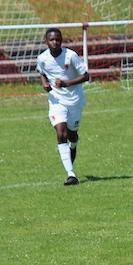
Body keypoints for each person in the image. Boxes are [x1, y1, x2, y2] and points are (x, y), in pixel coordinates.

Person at [37, 28, 89, 186]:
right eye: (52, 40)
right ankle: (71, 174)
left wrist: (67, 83)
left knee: (72, 135)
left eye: (58, 39)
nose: (55, 42)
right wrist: (45, 84)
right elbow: (42, 72)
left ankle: (74, 144)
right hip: (56, 101)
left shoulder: (70, 56)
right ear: (46, 42)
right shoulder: (42, 58)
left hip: (74, 101)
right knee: (61, 132)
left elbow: (86, 76)